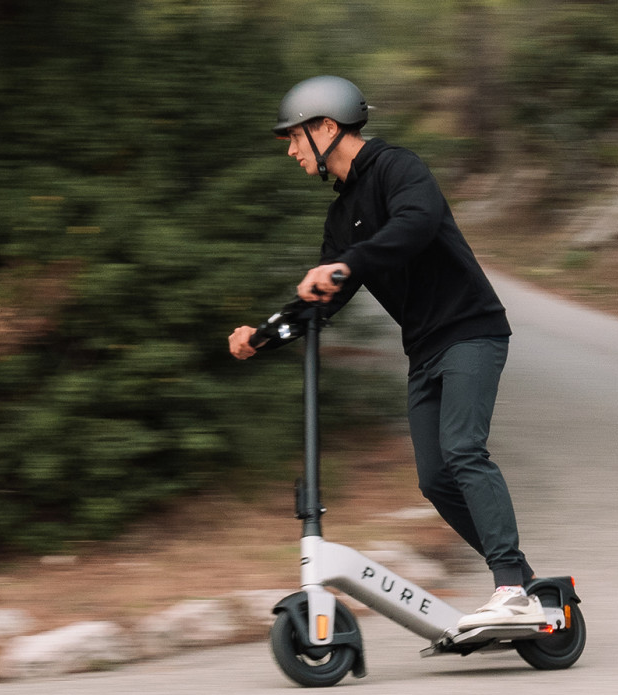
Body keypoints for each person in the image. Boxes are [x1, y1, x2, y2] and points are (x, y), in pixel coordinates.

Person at [228, 76, 542, 630]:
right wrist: (264, 333)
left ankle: (511, 586)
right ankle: (522, 583)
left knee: (464, 450)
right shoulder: (340, 215)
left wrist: (348, 265)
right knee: (435, 478)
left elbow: (415, 225)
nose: (292, 150)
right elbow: (322, 301)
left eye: (296, 138)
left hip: (472, 330)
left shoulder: (399, 168)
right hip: (424, 350)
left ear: (327, 127)